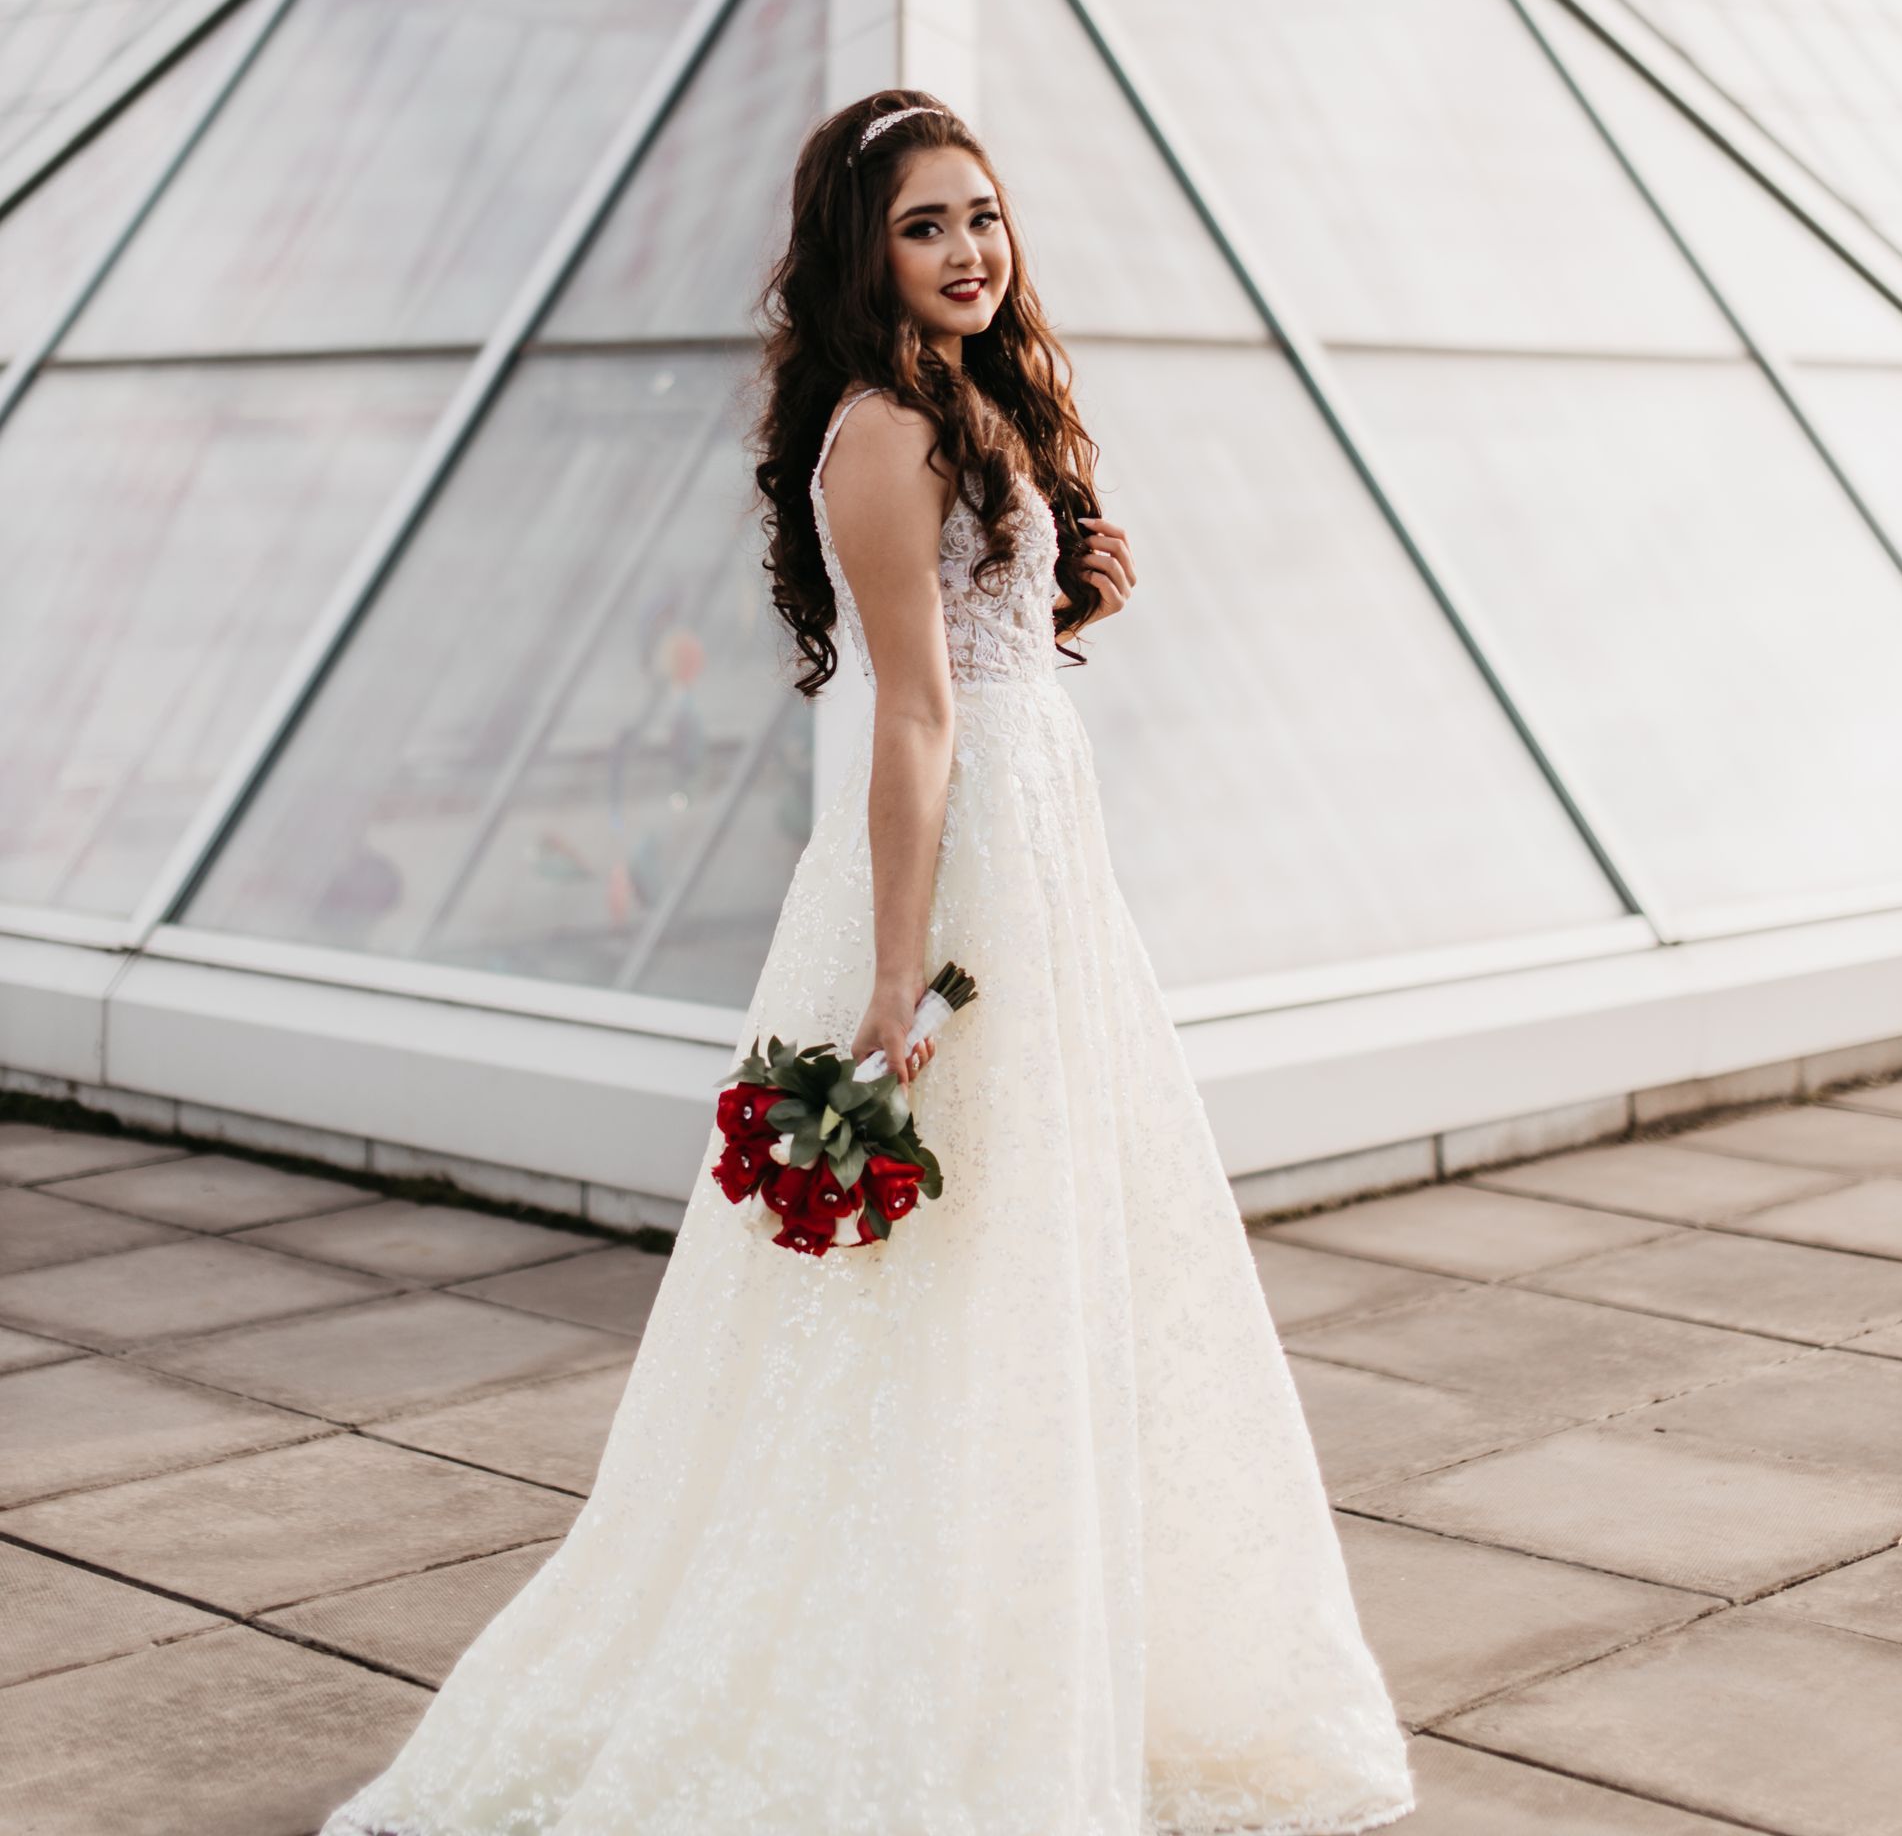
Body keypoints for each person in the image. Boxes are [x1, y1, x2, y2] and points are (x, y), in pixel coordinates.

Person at [322, 91, 1412, 1836]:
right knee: (932, 1284)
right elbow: (912, 717)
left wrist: (1055, 603)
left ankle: (1025, 1647)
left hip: (1037, 848)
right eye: (927, 225)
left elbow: (986, 663)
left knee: (1036, 1265)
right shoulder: (884, 433)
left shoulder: (961, 405)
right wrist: (900, 983)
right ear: (863, 250)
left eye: (983, 214)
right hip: (962, 870)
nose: (971, 248)